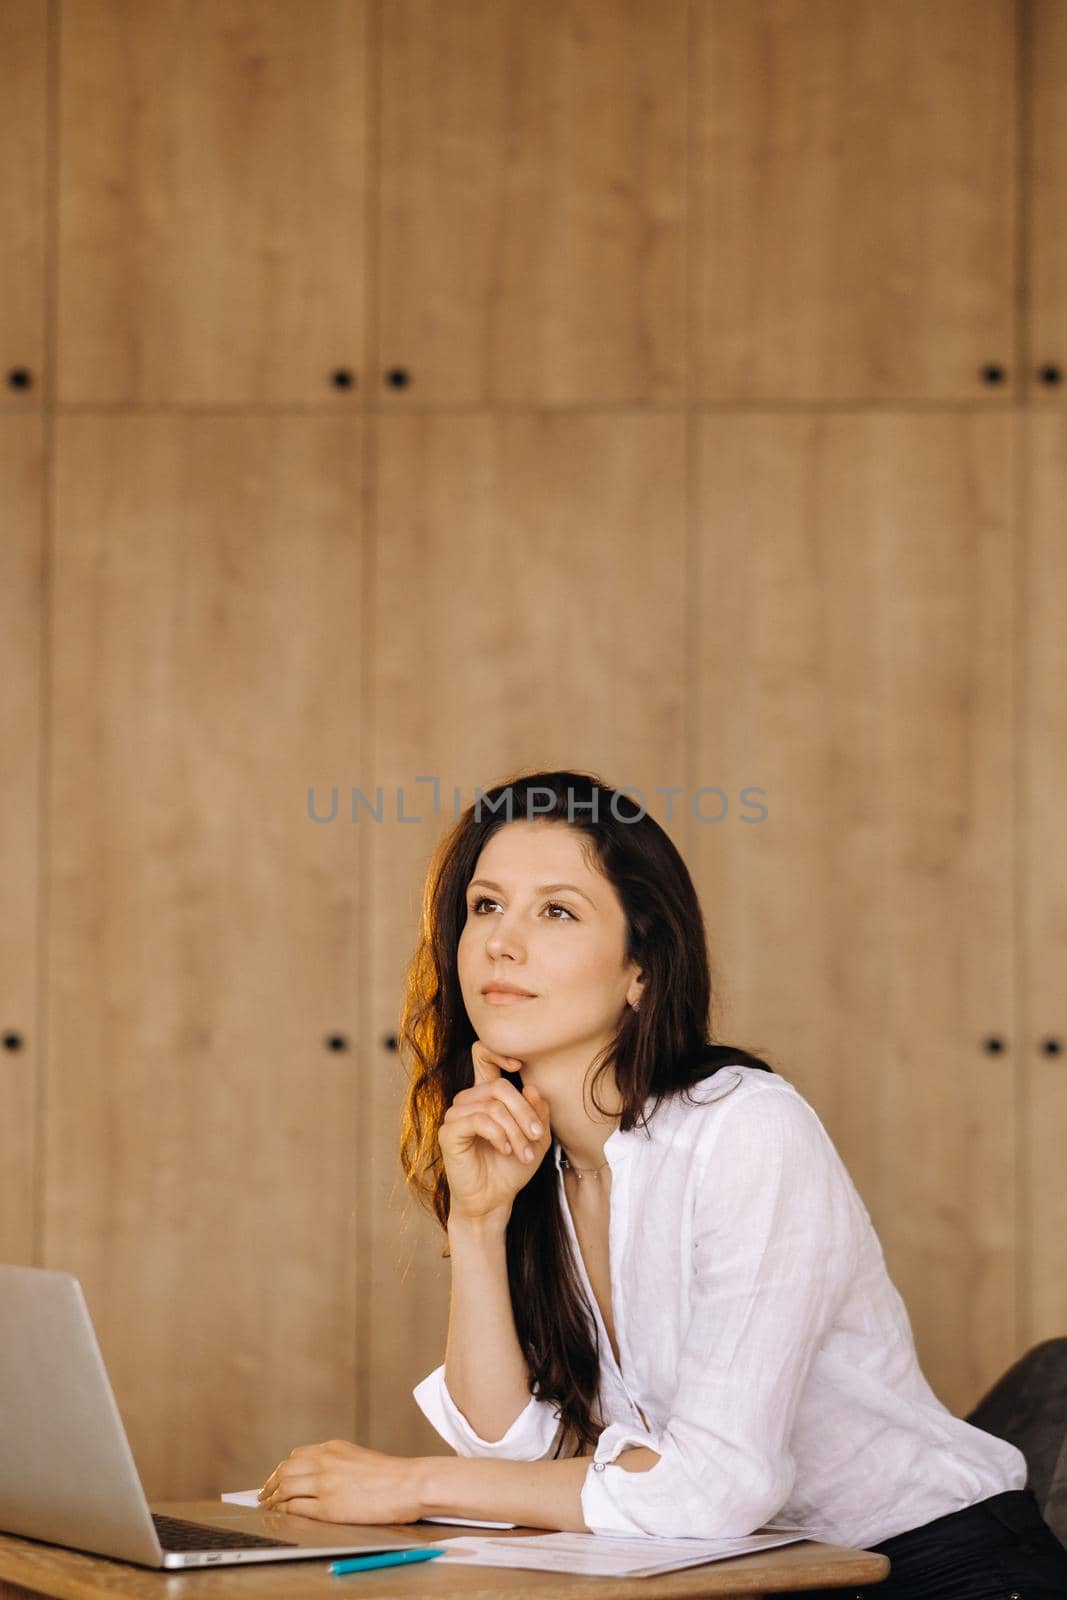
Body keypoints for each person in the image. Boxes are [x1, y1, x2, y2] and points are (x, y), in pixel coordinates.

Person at [259, 770, 1067, 1597]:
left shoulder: (743, 1128)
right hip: (745, 1576)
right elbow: (511, 1454)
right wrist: (477, 1222)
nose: (502, 941)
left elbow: (714, 1487)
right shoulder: (543, 1159)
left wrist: (411, 1484)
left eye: (557, 911)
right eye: (485, 906)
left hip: (939, 1570)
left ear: (639, 970)